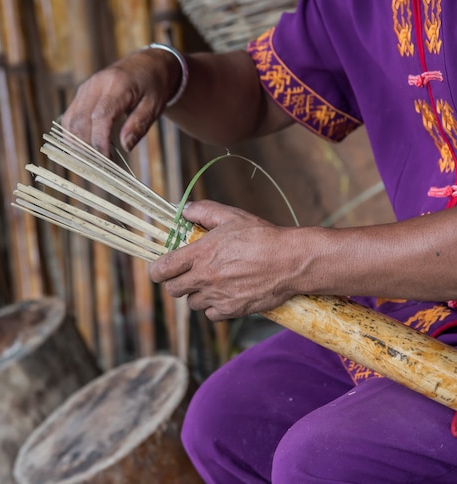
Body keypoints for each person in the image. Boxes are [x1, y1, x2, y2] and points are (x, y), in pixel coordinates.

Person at [62, 0, 457, 482]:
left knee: (322, 460)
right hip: (428, 300)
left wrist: (296, 260)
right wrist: (161, 70)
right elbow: (262, 91)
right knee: (224, 421)